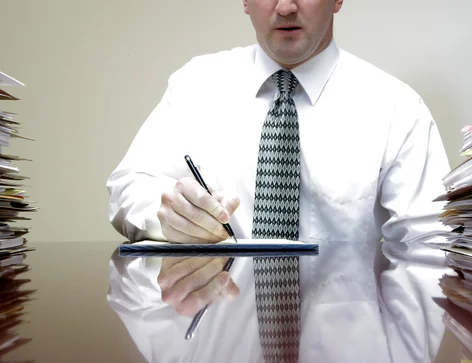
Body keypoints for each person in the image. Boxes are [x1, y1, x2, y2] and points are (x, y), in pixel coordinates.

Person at [107, 0, 450, 244]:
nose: (285, 7)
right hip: (217, 315)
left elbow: (430, 239)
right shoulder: (195, 85)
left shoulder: (397, 107)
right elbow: (129, 188)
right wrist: (166, 215)